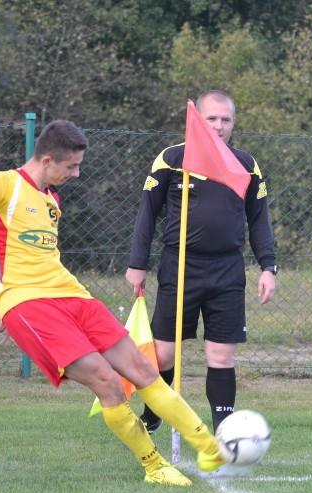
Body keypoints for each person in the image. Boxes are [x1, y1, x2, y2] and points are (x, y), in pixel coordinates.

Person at [0, 119, 225, 486]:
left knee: (142, 369)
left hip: (74, 296)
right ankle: (155, 468)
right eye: (71, 166)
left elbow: (28, 255)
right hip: (31, 306)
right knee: (107, 380)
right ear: (46, 160)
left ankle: (209, 446)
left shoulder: (51, 200)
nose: (76, 173)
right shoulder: (0, 183)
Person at [125, 90, 277, 434]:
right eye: (211, 119)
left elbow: (260, 220)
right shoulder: (171, 159)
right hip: (179, 268)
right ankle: (152, 417)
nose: (219, 126)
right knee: (163, 355)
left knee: (221, 357)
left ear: (234, 123)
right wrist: (137, 263)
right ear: (198, 121)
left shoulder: (245, 165)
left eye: (226, 120)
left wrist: (268, 267)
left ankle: (225, 435)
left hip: (227, 271)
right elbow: (146, 215)